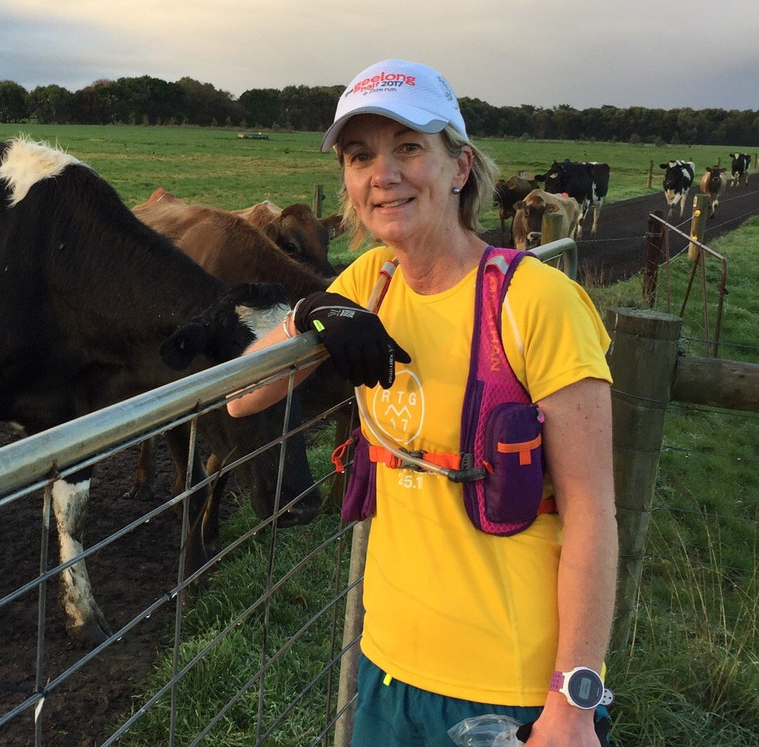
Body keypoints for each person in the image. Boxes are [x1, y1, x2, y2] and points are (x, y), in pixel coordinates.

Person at [227, 59, 617, 747]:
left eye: (409, 147)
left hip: (510, 693)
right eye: (360, 155)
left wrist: (573, 704)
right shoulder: (371, 281)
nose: (384, 173)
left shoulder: (537, 304)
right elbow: (239, 398)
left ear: (459, 166)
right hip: (386, 668)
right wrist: (308, 313)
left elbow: (592, 514)